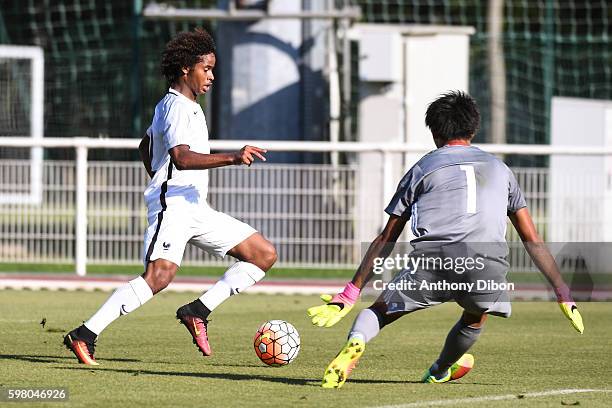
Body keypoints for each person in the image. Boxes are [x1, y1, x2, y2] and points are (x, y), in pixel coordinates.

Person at [307, 90, 584, 388]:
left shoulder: (423, 168)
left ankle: (357, 342)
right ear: (473, 129)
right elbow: (532, 238)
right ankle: (440, 369)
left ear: (435, 132)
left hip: (433, 259)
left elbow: (388, 236)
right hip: (485, 263)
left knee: (380, 311)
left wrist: (351, 291)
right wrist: (562, 290)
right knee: (476, 317)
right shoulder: (500, 169)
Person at [64, 28, 277, 365]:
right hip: (174, 207)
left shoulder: (184, 106)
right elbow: (181, 157)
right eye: (206, 69)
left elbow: (145, 147)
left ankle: (197, 311)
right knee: (159, 276)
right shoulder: (177, 106)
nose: (211, 76)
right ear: (185, 69)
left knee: (262, 254)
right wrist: (233, 157)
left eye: (212, 69)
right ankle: (84, 334)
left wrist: (159, 175)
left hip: (196, 207)